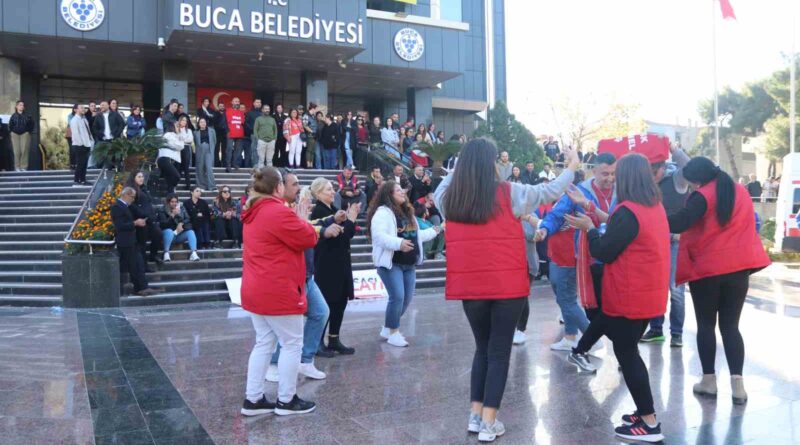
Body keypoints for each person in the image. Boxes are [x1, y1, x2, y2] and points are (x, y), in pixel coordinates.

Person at [434, 138, 579, 442]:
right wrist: (573, 167)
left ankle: (476, 416)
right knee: (499, 352)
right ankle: (489, 423)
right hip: (506, 288)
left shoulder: (450, 199)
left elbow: (440, 189)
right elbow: (548, 191)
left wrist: (459, 166)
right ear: (492, 164)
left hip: (471, 288)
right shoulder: (510, 193)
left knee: (483, 349)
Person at [564, 153, 669, 443]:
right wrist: (590, 208)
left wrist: (589, 228)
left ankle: (649, 423)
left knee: (628, 355)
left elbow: (604, 251)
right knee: (629, 351)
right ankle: (644, 413)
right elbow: (622, 225)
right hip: (647, 294)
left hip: (629, 296)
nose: (615, 179)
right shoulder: (652, 206)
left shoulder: (628, 210)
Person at [668, 157, 771, 405]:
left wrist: (652, 214)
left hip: (708, 270)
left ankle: (709, 381)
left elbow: (682, 222)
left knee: (706, 326)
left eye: (691, 184)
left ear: (698, 180)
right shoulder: (740, 191)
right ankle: (738, 386)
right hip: (738, 270)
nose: (691, 188)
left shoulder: (703, 195)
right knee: (731, 327)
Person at [240, 167, 319, 417]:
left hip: (256, 289)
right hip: (278, 290)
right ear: (277, 188)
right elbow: (308, 238)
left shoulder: (254, 210)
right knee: (292, 344)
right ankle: (286, 400)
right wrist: (302, 219)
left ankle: (253, 400)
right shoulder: (276, 211)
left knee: (263, 343)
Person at [536, 152, 618, 372]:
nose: (609, 178)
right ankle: (572, 336)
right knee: (565, 294)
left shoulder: (621, 191)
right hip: (579, 255)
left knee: (578, 300)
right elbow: (556, 214)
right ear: (594, 171)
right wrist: (544, 228)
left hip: (607, 257)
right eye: (605, 174)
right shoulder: (580, 191)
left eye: (613, 173)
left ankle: (591, 338)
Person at [265, 174, 340, 382]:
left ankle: (305, 361)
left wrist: (323, 224)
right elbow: (300, 235)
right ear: (279, 187)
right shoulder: (280, 210)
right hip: (290, 277)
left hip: (306, 275)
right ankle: (274, 364)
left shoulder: (293, 208)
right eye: (294, 184)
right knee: (289, 324)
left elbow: (310, 226)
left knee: (320, 312)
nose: (299, 187)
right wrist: (321, 229)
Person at [367, 181, 439, 347]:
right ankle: (394, 332)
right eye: (398, 190)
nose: (402, 192)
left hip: (409, 264)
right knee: (397, 297)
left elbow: (416, 235)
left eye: (402, 190)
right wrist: (399, 243)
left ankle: (387, 327)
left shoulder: (408, 212)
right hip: (392, 264)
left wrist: (436, 230)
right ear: (389, 194)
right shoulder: (383, 213)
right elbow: (378, 236)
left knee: (406, 299)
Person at [640, 144, 691, 346]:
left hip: (675, 243)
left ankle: (676, 333)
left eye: (655, 172)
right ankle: (655, 329)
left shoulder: (677, 180)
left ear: (663, 167)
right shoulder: (646, 185)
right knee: (655, 287)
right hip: (654, 242)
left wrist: (674, 149)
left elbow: (689, 166)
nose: (653, 177)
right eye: (649, 173)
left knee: (676, 291)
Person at [310, 178, 359, 355]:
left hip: (340, 262)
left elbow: (347, 234)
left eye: (332, 189)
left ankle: (334, 338)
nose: (332, 192)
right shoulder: (318, 211)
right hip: (327, 264)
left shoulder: (332, 210)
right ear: (318, 193)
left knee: (340, 302)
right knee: (328, 303)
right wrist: (351, 219)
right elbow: (340, 235)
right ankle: (317, 342)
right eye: (328, 190)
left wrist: (350, 221)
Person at [112, 187, 163, 297]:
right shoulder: (117, 207)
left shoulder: (126, 206)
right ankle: (140, 288)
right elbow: (120, 226)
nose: (133, 199)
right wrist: (135, 223)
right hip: (125, 242)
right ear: (126, 195)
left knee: (138, 264)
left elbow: (140, 213)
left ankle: (142, 287)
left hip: (131, 240)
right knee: (135, 265)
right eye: (132, 197)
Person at [125, 170, 162, 267]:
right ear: (134, 178)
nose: (142, 178)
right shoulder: (131, 190)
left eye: (142, 176)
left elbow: (148, 202)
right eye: (139, 177)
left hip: (149, 219)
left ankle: (153, 255)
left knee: (158, 234)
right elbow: (131, 205)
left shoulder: (143, 188)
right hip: (140, 220)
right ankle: (144, 265)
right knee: (142, 244)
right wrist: (142, 214)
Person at [158, 193, 200, 262]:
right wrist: (172, 216)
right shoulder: (162, 209)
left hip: (178, 234)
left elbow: (188, 219)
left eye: (175, 202)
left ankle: (194, 253)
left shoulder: (182, 208)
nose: (174, 204)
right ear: (168, 202)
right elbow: (163, 224)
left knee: (190, 232)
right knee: (169, 231)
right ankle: (166, 253)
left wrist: (181, 224)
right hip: (168, 235)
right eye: (172, 202)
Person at [69, 104, 94, 185]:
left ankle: (83, 179)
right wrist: (82, 145)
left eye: (84, 108)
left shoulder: (84, 119)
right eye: (81, 108)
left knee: (84, 164)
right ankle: (77, 180)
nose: (83, 109)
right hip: (79, 145)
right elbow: (76, 134)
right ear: (75, 110)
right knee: (80, 163)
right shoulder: (74, 120)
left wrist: (90, 142)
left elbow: (88, 132)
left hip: (87, 144)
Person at [156, 123, 184, 193]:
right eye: (177, 126)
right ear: (172, 127)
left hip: (170, 160)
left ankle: (170, 195)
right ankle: (171, 190)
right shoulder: (168, 135)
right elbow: (180, 146)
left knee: (170, 182)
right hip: (164, 159)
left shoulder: (174, 136)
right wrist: (180, 141)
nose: (178, 128)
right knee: (177, 176)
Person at [193, 117, 217, 192]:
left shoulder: (212, 131)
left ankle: (212, 186)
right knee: (200, 168)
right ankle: (201, 185)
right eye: (201, 122)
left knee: (209, 168)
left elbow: (214, 141)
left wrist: (211, 149)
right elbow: (194, 143)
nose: (203, 123)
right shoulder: (195, 132)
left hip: (209, 150)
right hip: (199, 150)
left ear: (206, 123)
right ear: (198, 124)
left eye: (204, 122)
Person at [252, 104, 278, 168]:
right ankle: (261, 176)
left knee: (269, 160)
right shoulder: (258, 119)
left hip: (271, 141)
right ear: (262, 110)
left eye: (268, 109)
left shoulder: (272, 119)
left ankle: (269, 175)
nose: (267, 110)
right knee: (261, 160)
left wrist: (274, 139)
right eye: (265, 109)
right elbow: (255, 130)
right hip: (261, 141)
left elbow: (275, 130)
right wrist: (258, 139)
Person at [226, 97, 246, 172]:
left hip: (239, 133)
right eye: (235, 101)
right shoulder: (227, 111)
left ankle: (235, 164)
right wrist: (227, 130)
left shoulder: (241, 112)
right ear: (232, 102)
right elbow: (224, 122)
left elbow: (243, 123)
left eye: (238, 101)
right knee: (229, 149)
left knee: (238, 150)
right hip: (230, 133)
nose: (237, 103)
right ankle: (228, 165)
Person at [176, 115, 194, 190]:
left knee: (186, 167)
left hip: (186, 148)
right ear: (180, 121)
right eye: (183, 120)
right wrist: (183, 138)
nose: (184, 122)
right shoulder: (176, 129)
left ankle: (188, 185)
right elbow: (176, 138)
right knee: (178, 166)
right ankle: (176, 183)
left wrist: (182, 139)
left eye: (185, 120)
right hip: (178, 148)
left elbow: (190, 139)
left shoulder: (188, 130)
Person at [244, 99, 263, 168]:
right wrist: (252, 130)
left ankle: (261, 165)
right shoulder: (249, 113)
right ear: (254, 103)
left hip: (263, 136)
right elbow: (246, 124)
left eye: (260, 102)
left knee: (262, 150)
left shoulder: (263, 114)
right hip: (254, 135)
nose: (258, 103)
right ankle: (254, 164)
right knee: (254, 150)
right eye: (257, 102)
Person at [303, 103, 320, 168]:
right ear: (312, 109)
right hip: (310, 135)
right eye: (315, 109)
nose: (315, 111)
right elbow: (305, 125)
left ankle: (311, 164)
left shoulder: (313, 116)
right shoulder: (305, 115)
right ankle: (308, 164)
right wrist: (312, 132)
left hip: (315, 135)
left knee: (313, 150)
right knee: (309, 150)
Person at [214, 101, 228, 167]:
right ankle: (216, 163)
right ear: (218, 107)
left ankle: (224, 163)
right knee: (216, 149)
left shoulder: (227, 113)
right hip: (217, 134)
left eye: (222, 106)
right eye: (220, 106)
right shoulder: (215, 113)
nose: (221, 107)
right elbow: (214, 123)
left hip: (225, 134)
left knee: (224, 150)